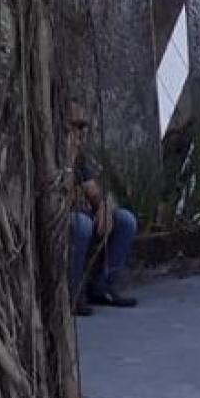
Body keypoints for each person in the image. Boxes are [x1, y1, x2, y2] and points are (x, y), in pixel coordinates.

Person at [66, 101, 138, 315]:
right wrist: (68, 161)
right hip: (54, 219)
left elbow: (94, 191)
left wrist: (104, 207)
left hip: (78, 215)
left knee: (125, 220)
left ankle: (103, 286)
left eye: (84, 127)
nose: (81, 133)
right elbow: (56, 197)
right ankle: (72, 294)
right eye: (76, 125)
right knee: (82, 224)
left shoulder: (80, 159)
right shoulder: (48, 154)